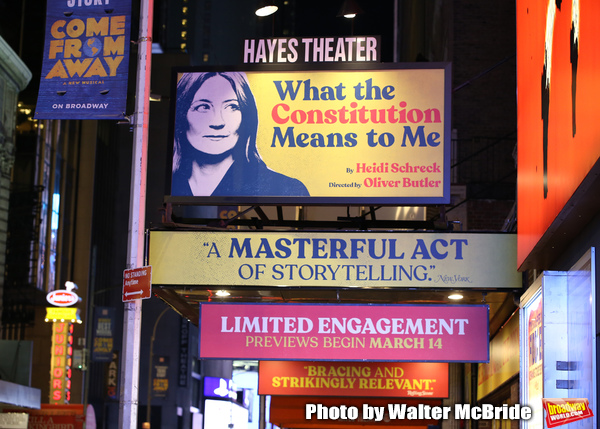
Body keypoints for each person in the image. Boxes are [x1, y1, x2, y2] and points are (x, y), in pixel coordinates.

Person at [171, 71, 309, 197]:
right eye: (203, 107)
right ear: (182, 115)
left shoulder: (287, 188)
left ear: (247, 116)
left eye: (232, 107)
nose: (218, 122)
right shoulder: (168, 182)